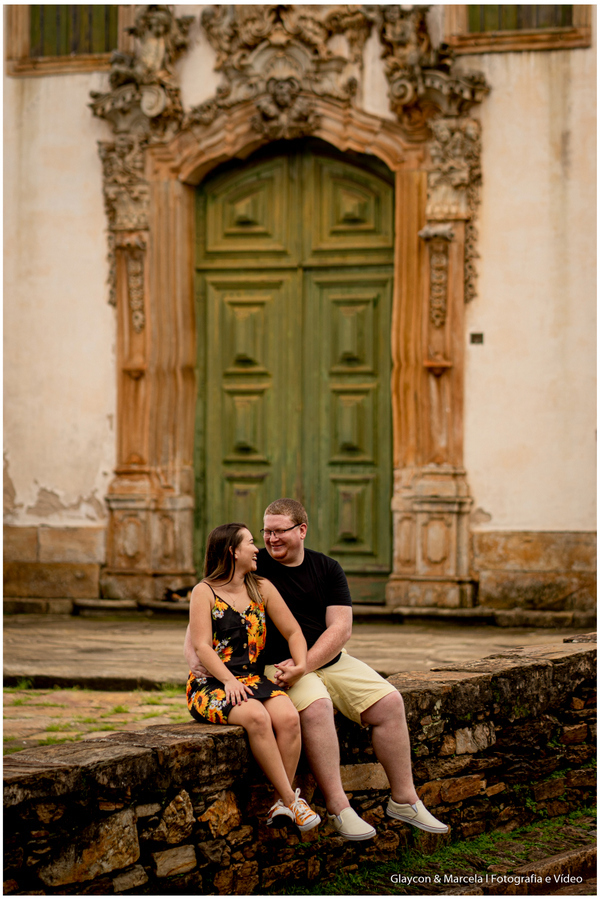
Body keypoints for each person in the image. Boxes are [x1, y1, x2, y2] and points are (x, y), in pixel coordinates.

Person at [185, 501, 448, 841]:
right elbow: (209, 604)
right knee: (318, 707)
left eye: (279, 531)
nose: (270, 539)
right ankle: (340, 809)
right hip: (275, 667)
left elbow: (340, 628)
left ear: (302, 531)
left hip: (326, 660)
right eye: (265, 532)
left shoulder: (327, 567)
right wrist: (193, 654)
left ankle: (405, 800)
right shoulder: (254, 565)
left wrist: (304, 665)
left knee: (391, 702)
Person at [186, 522, 320, 833]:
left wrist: (300, 665)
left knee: (287, 716)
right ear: (232, 551)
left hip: (252, 680)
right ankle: (292, 800)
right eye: (250, 543)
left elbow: (293, 631)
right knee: (258, 718)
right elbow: (202, 646)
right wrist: (228, 681)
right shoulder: (203, 591)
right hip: (213, 685)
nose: (257, 548)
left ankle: (280, 804)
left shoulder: (262, 588)